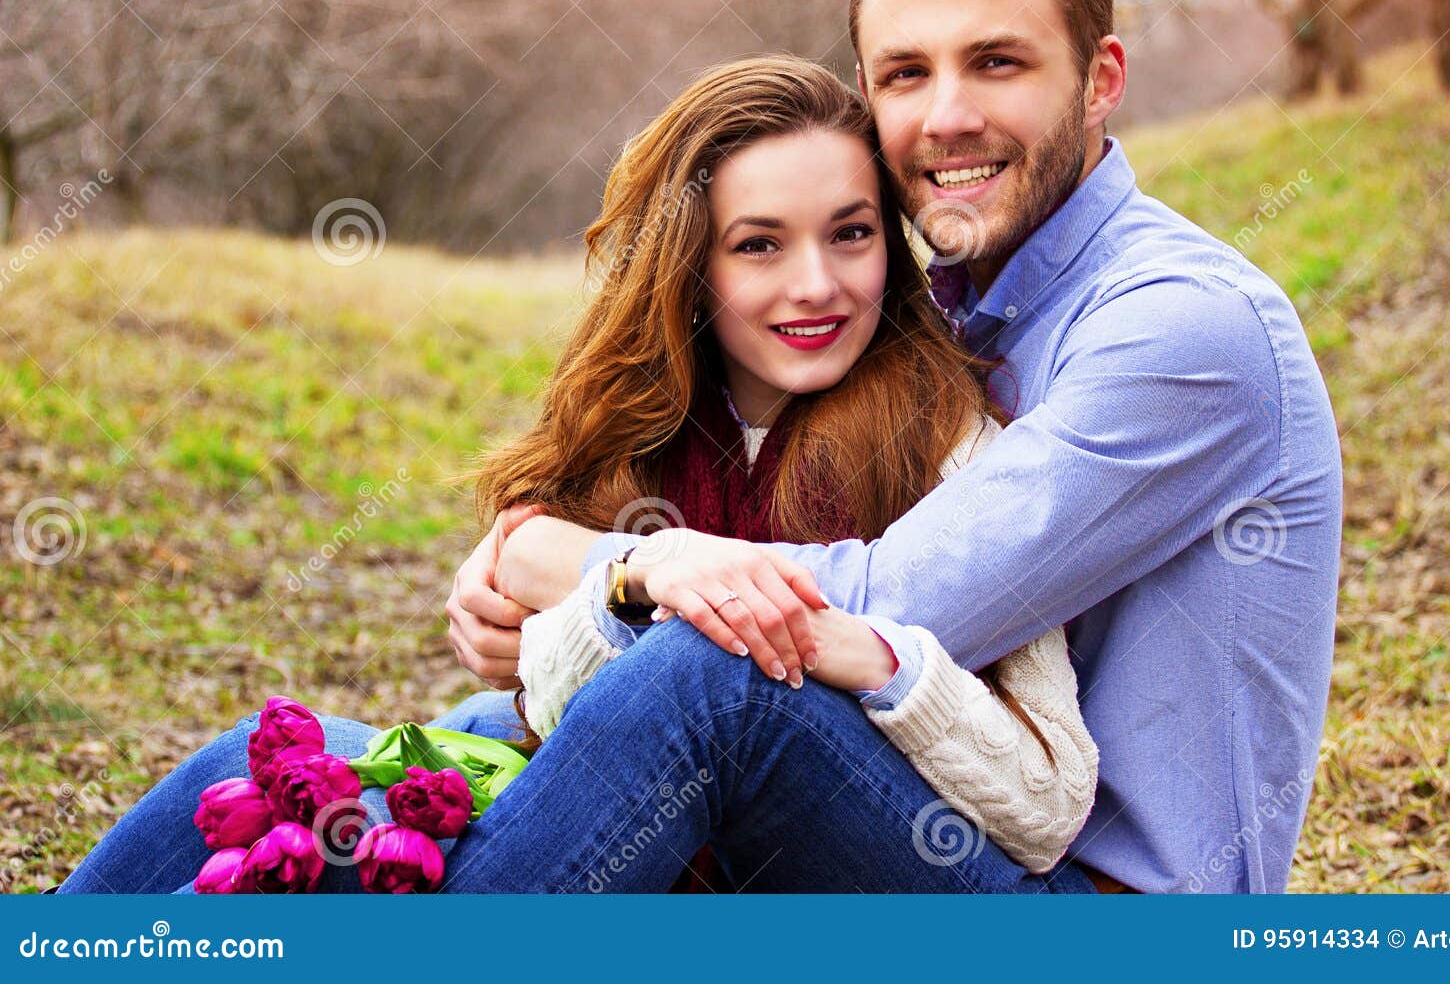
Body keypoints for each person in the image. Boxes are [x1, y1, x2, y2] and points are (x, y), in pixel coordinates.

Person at [448, 0, 1342, 893]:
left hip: (1092, 900)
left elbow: (888, 603)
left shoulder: (1180, 327)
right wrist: (556, 563)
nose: (947, 115)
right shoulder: (951, 307)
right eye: (905, 73)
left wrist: (574, 560)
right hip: (923, 810)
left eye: (997, 61)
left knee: (706, 683)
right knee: (334, 758)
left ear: (1100, 79)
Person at [57, 55, 1101, 894]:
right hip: (677, 874)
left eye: (853, 233)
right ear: (690, 261)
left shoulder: (953, 439)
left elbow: (1049, 803)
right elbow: (563, 718)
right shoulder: (645, 435)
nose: (816, 283)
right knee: (269, 762)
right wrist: (635, 567)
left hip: (938, 886)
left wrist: (850, 651)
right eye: (758, 245)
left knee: (712, 666)